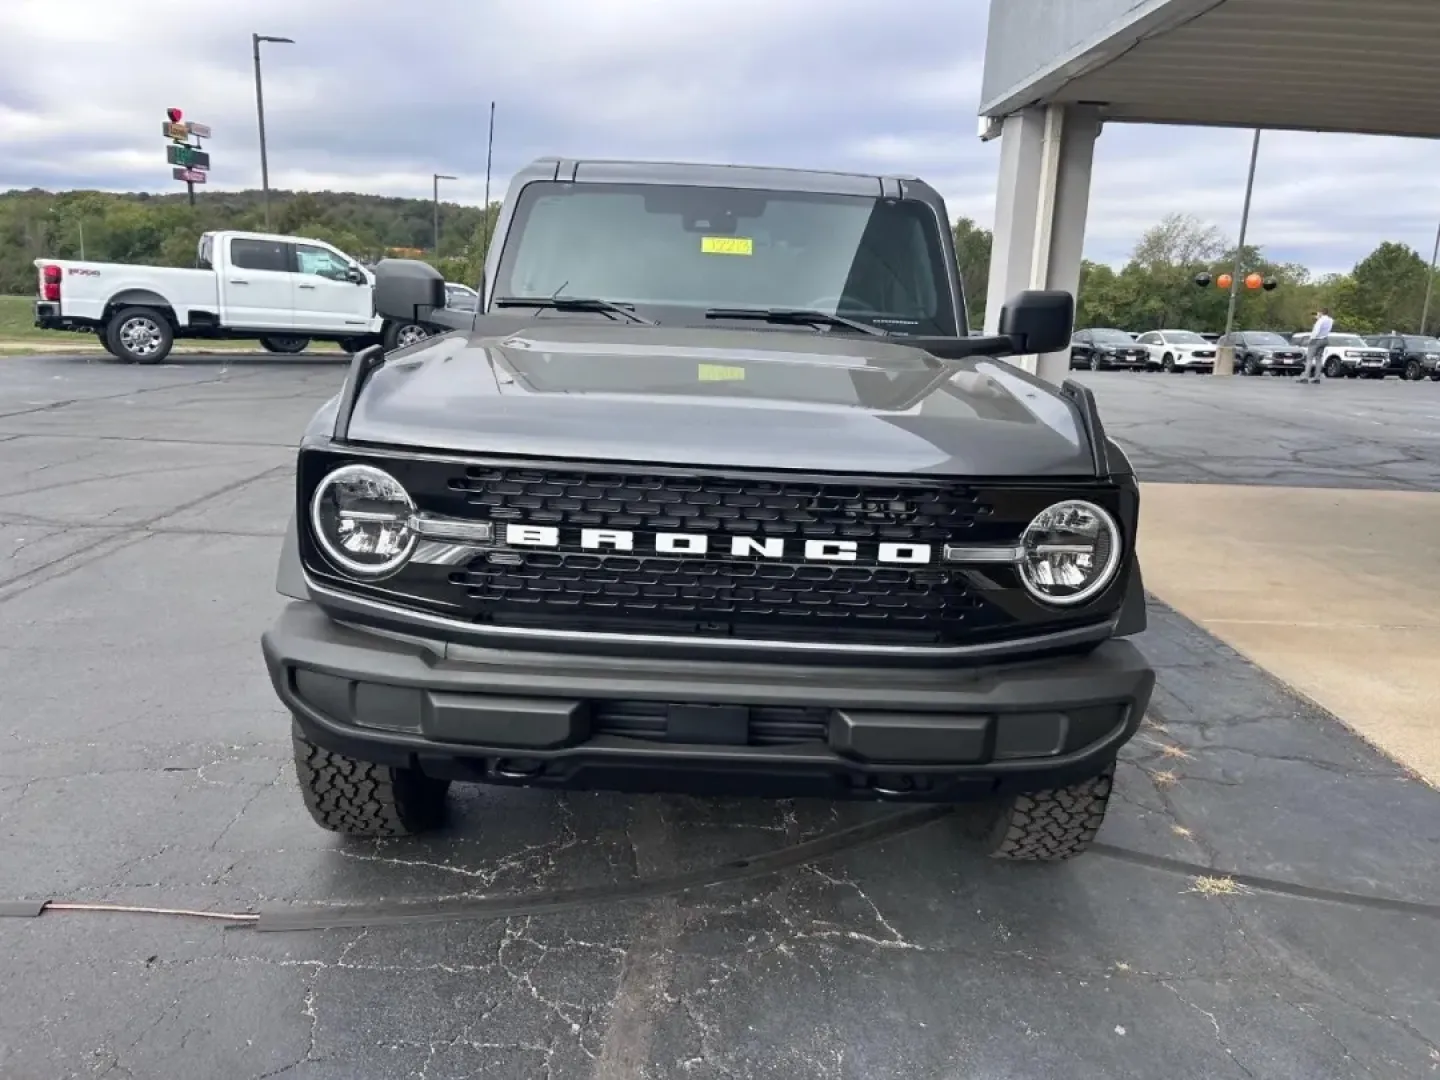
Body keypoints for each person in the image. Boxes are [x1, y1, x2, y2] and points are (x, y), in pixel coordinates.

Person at [1299, 308, 1334, 383]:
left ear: (1321, 313)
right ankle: (1317, 378)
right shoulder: (1330, 320)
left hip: (1316, 340)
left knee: (1309, 359)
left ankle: (1305, 377)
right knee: (1319, 359)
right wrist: (1318, 317)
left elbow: (1316, 331)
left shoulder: (1320, 321)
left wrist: (1310, 340)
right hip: (1324, 339)